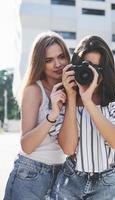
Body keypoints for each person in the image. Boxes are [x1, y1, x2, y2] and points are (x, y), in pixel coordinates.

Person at [51, 35, 115, 200]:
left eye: (97, 69)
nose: (90, 74)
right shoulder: (66, 98)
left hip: (105, 183)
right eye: (86, 67)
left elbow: (114, 140)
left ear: (105, 71)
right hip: (70, 180)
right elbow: (69, 149)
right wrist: (72, 97)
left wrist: (87, 100)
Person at [4, 31, 70, 200]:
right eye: (49, 60)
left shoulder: (72, 90)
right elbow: (26, 145)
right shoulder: (34, 90)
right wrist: (53, 114)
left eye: (61, 56)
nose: (57, 64)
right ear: (40, 63)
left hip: (61, 174)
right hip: (30, 173)